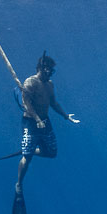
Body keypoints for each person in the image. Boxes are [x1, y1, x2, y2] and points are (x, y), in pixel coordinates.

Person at [16, 51, 80, 194]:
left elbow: (53, 103)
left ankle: (30, 150)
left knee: (51, 152)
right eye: (49, 70)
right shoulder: (30, 82)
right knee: (27, 158)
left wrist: (66, 116)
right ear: (41, 68)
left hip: (45, 121)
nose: (51, 74)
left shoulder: (49, 84)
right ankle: (19, 184)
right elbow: (27, 104)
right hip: (30, 123)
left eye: (52, 71)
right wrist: (37, 120)